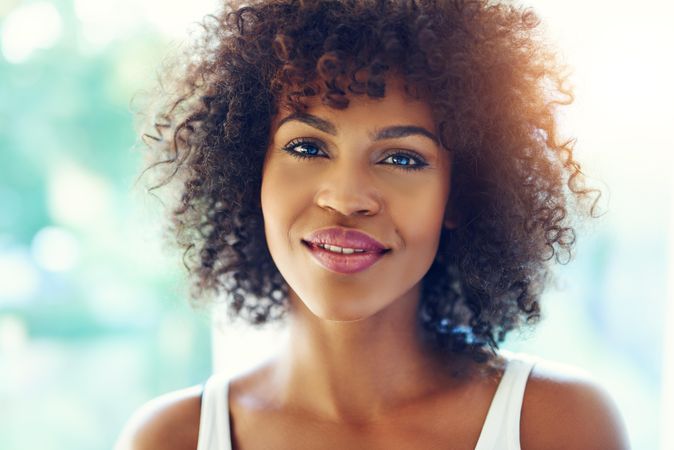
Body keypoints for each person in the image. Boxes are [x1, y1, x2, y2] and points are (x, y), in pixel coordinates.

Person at [116, 0, 629, 448]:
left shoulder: (558, 426)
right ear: (253, 171)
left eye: (402, 159)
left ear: (460, 194)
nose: (345, 198)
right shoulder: (170, 440)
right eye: (307, 147)